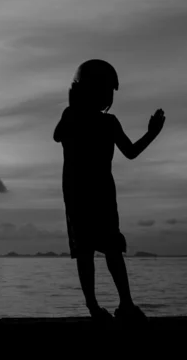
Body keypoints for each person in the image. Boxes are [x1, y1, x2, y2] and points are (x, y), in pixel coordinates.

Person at [53, 59, 165, 322]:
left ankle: (119, 304)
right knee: (94, 251)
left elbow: (130, 152)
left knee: (100, 250)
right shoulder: (84, 118)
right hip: (87, 194)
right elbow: (131, 152)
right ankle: (105, 306)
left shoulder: (94, 120)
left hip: (94, 194)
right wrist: (152, 134)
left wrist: (152, 133)